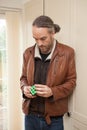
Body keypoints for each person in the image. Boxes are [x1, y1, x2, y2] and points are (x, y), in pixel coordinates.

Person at [20, 15, 76, 130]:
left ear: (53, 33)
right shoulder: (27, 53)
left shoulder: (68, 52)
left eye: (43, 38)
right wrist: (24, 88)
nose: (39, 43)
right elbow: (23, 78)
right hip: (30, 116)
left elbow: (71, 82)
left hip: (54, 119)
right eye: (35, 39)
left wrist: (52, 92)